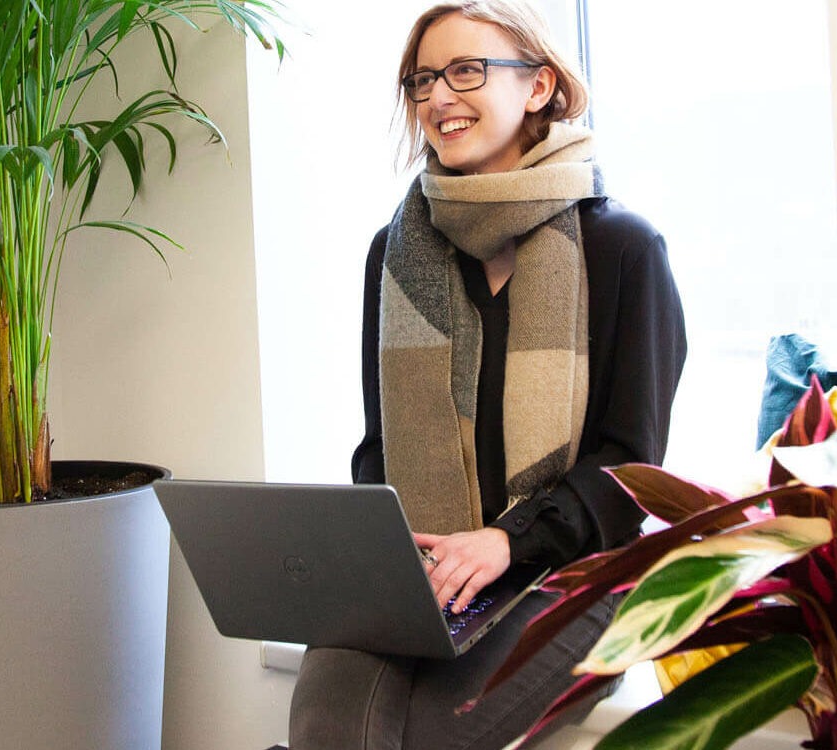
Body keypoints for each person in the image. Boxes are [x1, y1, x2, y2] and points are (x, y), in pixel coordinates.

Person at [288, 1, 686, 747]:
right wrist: (389, 543)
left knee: (431, 733)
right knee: (324, 719)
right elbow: (379, 445)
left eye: (466, 71)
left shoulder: (624, 249)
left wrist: (506, 541)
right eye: (422, 80)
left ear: (538, 88)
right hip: (427, 573)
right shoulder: (395, 255)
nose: (438, 98)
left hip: (573, 572)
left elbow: (630, 467)